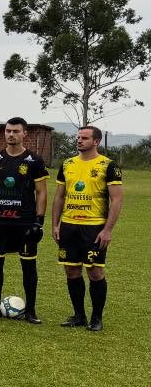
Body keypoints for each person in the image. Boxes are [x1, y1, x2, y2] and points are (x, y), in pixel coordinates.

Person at [52, 125, 123, 332]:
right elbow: (59, 196)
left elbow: (117, 199)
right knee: (71, 270)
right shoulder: (67, 164)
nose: (79, 140)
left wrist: (107, 230)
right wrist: (55, 224)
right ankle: (79, 315)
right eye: (78, 137)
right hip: (69, 226)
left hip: (93, 228)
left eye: (84, 138)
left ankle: (96, 318)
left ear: (96, 142)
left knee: (95, 271)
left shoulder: (107, 165)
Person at [0, 117, 48, 323]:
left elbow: (41, 192)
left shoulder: (34, 161)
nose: (11, 134)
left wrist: (39, 222)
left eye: (16, 131)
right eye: (8, 131)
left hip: (25, 222)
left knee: (28, 266)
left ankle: (31, 310)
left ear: (24, 133)